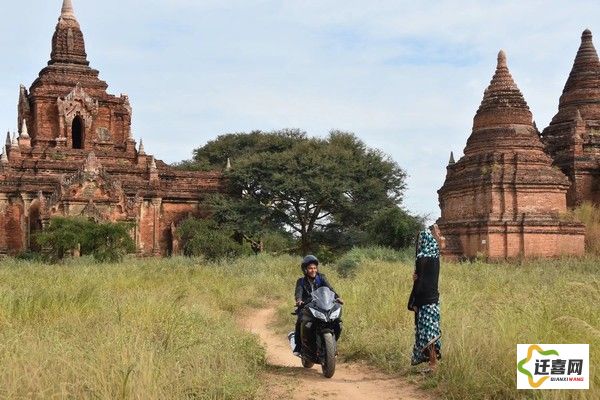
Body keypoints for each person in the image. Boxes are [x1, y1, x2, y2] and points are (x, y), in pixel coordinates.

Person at [293, 255, 343, 356]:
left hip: (322, 305)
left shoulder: (321, 278)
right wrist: (299, 300)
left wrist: (337, 297)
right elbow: (298, 292)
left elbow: (330, 288)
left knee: (337, 322)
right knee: (300, 322)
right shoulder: (301, 281)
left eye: (315, 268)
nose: (313, 270)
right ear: (305, 269)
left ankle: (332, 345)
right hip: (307, 306)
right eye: (310, 268)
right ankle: (298, 346)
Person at [407, 225, 442, 371]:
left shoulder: (421, 258)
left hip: (424, 299)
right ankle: (432, 363)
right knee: (432, 332)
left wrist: (412, 301)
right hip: (434, 299)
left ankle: (432, 364)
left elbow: (420, 282)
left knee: (427, 333)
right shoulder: (435, 256)